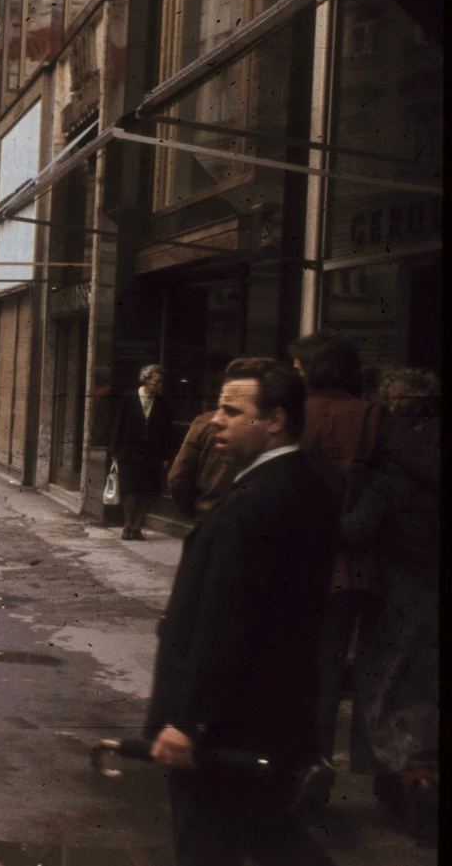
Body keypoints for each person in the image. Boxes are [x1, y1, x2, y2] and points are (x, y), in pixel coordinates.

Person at [146, 357, 339, 866]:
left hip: (228, 727)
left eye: (232, 411)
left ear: (274, 420)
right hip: (267, 717)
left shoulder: (257, 501)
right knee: (270, 837)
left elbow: (227, 620)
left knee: (211, 844)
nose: (215, 420)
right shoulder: (300, 484)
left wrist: (188, 722)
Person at [288, 332, 388, 802]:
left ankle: (279, 776)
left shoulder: (290, 413)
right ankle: (315, 780)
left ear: (311, 369)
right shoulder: (371, 417)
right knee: (327, 676)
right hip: (346, 566)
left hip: (288, 558)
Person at [343, 368, 439, 843]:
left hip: (396, 596)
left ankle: (413, 783)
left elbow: (356, 529)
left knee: (389, 690)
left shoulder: (390, 475)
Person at [107, 364, 175, 540]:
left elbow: (167, 431)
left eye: (160, 383)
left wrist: (167, 456)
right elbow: (118, 424)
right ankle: (127, 525)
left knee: (145, 491)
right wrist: (114, 449)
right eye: (156, 381)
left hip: (152, 453)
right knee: (129, 490)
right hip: (129, 451)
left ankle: (137, 527)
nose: (159, 386)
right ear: (145, 379)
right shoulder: (129, 399)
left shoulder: (162, 403)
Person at [167, 409, 251, 519]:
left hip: (209, 510)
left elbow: (177, 478)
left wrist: (191, 510)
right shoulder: (267, 426)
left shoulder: (205, 422)